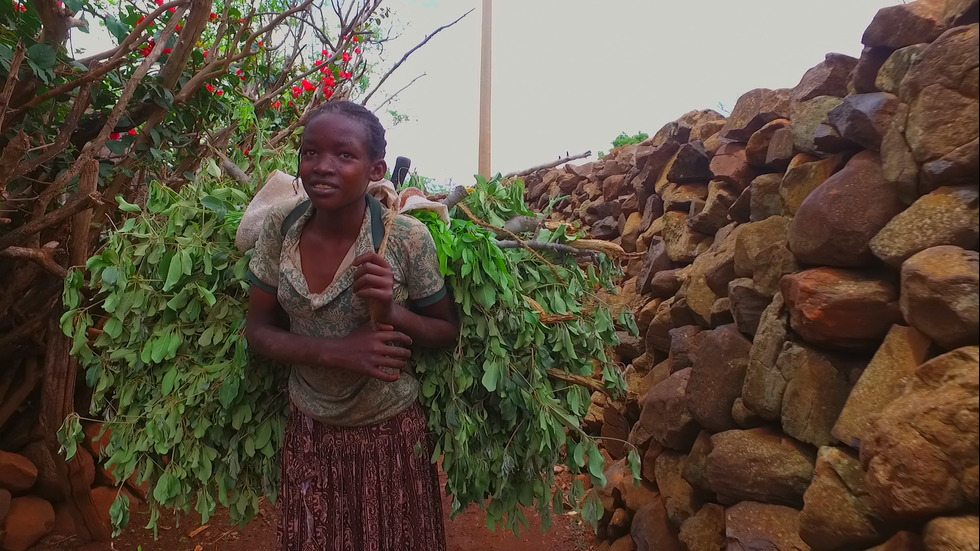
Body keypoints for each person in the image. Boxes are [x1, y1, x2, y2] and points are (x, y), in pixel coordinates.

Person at [244, 101, 459, 550]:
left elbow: (444, 332)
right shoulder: (280, 229)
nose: (322, 167)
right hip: (310, 432)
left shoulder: (405, 239)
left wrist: (392, 310)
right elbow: (258, 331)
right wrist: (337, 351)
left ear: (375, 167)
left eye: (344, 155)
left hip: (390, 436)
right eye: (309, 153)